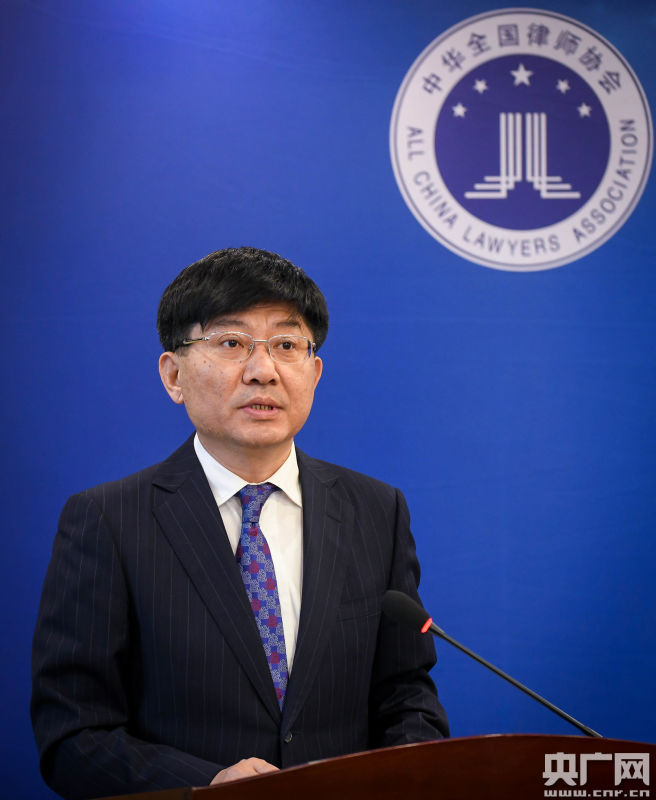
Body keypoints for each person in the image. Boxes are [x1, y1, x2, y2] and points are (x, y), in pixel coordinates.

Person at [31, 247, 448, 799]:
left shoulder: (376, 510)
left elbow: (407, 694)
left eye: (286, 345)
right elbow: (73, 737)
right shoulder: (107, 520)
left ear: (314, 372)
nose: (263, 370)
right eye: (231, 343)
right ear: (174, 375)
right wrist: (207, 786)